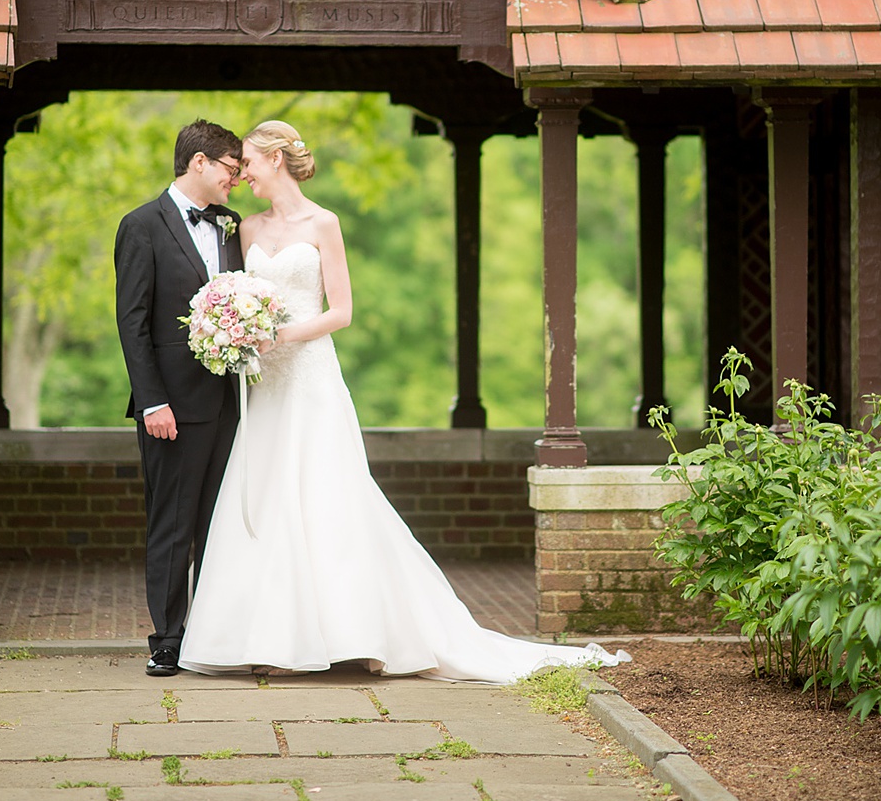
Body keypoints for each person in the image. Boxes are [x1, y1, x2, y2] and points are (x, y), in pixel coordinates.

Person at [177, 121, 627, 683]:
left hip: (311, 378)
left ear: (275, 158)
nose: (241, 172)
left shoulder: (324, 224)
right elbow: (241, 292)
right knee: (267, 499)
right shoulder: (243, 230)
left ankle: (366, 634)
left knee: (329, 498)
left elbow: (341, 311)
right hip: (265, 384)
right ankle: (271, 638)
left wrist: (280, 336)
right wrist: (239, 329)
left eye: (247, 160)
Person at [114, 119, 245, 677]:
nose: (234, 181)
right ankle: (167, 638)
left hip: (229, 404)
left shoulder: (230, 228)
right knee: (171, 524)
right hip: (170, 407)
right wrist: (152, 402)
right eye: (230, 170)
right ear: (199, 163)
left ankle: (214, 636)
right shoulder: (140, 225)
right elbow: (132, 322)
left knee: (219, 524)